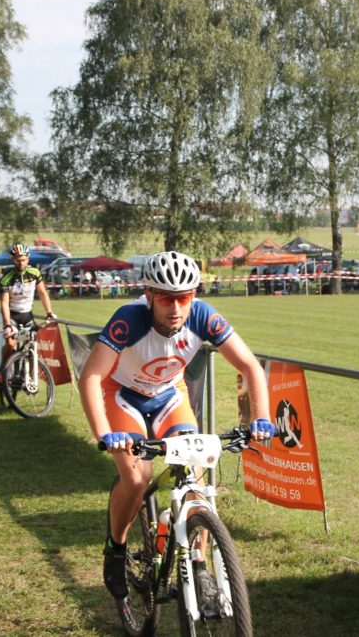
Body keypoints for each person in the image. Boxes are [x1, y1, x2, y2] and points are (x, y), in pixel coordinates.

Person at [77, 251, 275, 606]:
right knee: (137, 480)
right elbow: (91, 376)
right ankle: (116, 549)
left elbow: (250, 366)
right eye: (167, 298)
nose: (176, 308)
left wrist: (260, 417)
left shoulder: (203, 316)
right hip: (122, 396)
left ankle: (199, 567)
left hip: (170, 395)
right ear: (150, 295)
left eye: (185, 297)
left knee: (195, 482)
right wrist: (105, 433)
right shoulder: (129, 320)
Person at [0, 243, 56, 366]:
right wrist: (7, 324)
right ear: (13, 260)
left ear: (28, 258)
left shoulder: (34, 273)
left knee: (33, 345)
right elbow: (4, 302)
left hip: (28, 315)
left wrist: (49, 312)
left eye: (24, 260)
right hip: (13, 315)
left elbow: (42, 293)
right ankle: (3, 369)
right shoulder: (6, 278)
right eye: (18, 260)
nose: (21, 263)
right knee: (10, 343)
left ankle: (29, 377)